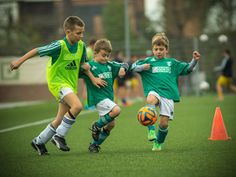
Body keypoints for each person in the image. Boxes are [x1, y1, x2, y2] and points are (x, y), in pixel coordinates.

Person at [10, 16, 106, 155]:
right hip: (58, 84)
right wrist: (19, 61)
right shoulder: (59, 45)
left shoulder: (81, 47)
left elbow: (83, 66)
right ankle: (59, 136)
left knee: (60, 119)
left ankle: (39, 141)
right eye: (78, 33)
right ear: (68, 32)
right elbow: (37, 50)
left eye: (82, 32)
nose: (81, 36)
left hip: (71, 85)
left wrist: (93, 78)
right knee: (77, 106)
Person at [131, 32, 200, 151]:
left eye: (161, 49)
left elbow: (187, 69)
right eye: (156, 49)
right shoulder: (148, 62)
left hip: (168, 95)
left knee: (164, 124)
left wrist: (194, 60)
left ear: (166, 50)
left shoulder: (172, 63)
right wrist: (142, 67)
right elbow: (132, 67)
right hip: (154, 92)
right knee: (150, 100)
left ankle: (158, 142)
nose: (158, 51)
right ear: (152, 49)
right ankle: (151, 131)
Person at [80, 39, 129, 153]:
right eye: (103, 55)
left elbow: (125, 63)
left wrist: (123, 69)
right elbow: (80, 67)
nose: (106, 58)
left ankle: (94, 145)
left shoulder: (110, 65)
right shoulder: (90, 65)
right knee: (117, 110)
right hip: (98, 98)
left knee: (111, 125)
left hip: (108, 98)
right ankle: (96, 125)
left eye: (108, 56)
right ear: (95, 53)